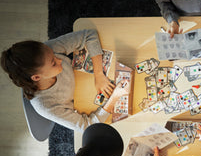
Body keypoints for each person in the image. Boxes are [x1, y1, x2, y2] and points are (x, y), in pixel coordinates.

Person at [1, 29, 130, 133]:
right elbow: (88, 127)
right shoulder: (46, 106)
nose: (60, 59)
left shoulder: (47, 49)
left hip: (85, 82)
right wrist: (114, 98)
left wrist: (98, 75)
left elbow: (89, 35)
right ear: (36, 77)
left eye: (53, 55)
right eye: (53, 63)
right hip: (83, 102)